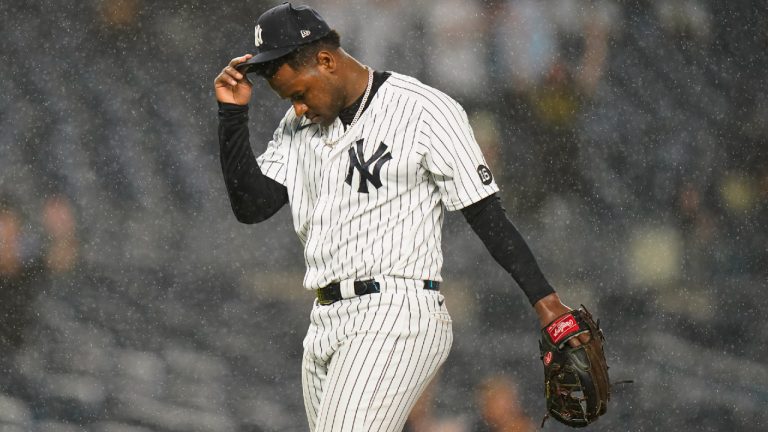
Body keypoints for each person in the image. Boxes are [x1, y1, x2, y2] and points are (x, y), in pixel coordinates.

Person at [214, 4, 586, 431]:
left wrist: (547, 303)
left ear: (325, 61)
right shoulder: (298, 127)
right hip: (325, 320)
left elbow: (487, 215)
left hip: (396, 312)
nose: (297, 108)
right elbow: (252, 206)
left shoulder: (425, 110)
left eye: (299, 94)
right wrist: (231, 115)